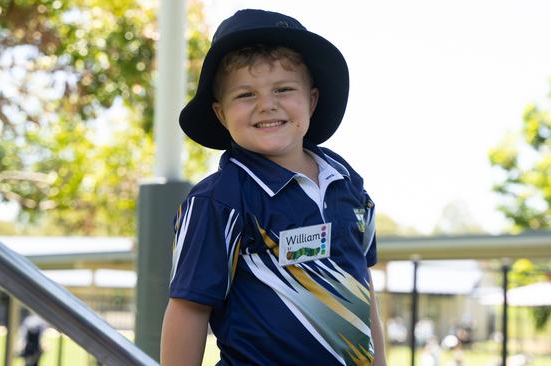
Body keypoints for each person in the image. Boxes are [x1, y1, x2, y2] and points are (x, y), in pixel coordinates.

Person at [160, 8, 386, 366]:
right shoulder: (218, 201)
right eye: (245, 95)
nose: (267, 104)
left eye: (283, 89)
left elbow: (363, 288)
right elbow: (189, 308)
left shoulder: (347, 183)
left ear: (311, 100)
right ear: (220, 114)